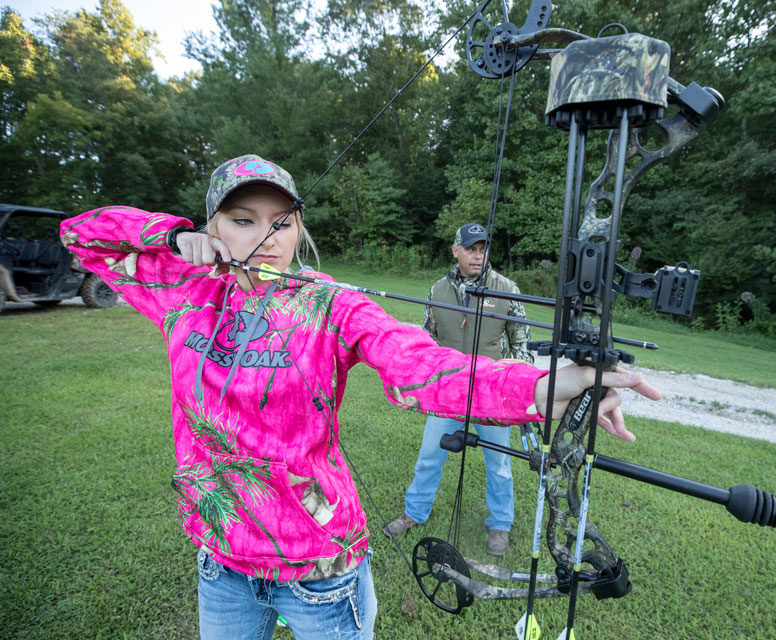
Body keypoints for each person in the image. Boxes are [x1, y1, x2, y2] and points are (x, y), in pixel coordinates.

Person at [59, 154, 662, 640]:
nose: (264, 237)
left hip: (321, 569)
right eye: (243, 219)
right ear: (213, 226)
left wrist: (544, 386)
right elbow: (82, 235)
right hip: (222, 560)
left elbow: (418, 363)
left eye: (281, 221)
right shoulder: (181, 291)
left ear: (299, 228)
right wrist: (169, 237)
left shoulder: (331, 303)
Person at [383, 223, 532, 557]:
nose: (478, 255)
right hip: (447, 392)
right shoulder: (437, 291)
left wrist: (515, 386)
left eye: (483, 249)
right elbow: (428, 339)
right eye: (471, 249)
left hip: (491, 393)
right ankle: (414, 512)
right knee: (428, 457)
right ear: (456, 250)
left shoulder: (507, 289)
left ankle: (500, 524)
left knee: (498, 464)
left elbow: (522, 347)